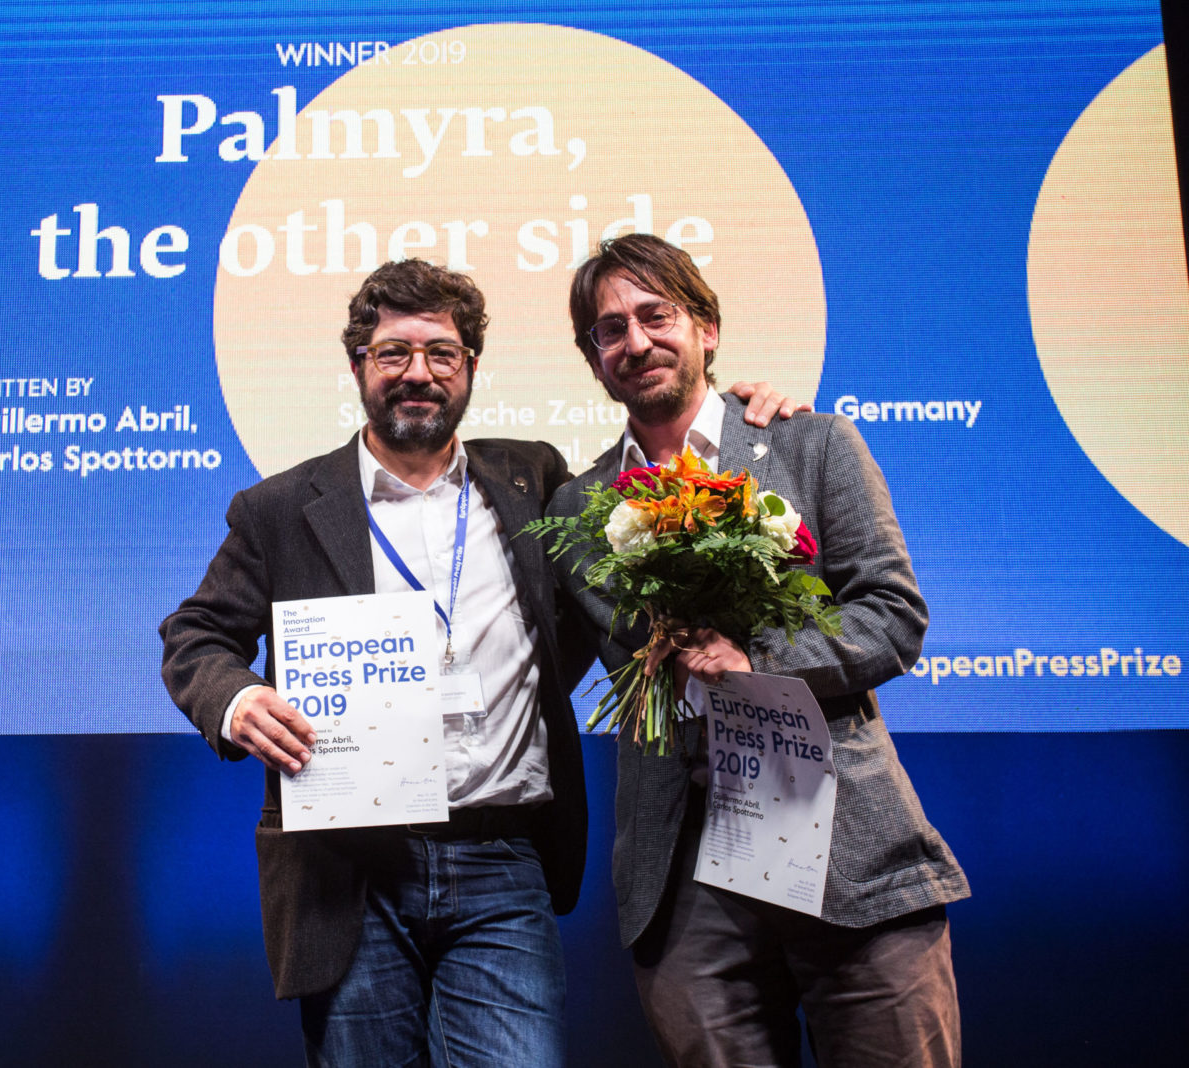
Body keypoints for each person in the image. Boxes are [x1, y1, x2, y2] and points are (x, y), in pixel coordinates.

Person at [160, 258, 798, 1067]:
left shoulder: (535, 480)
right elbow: (196, 635)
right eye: (394, 353)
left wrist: (745, 418)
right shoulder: (280, 509)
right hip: (352, 869)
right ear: (357, 366)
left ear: (469, 368)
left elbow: (658, 486)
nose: (418, 373)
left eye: (442, 353)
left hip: (504, 861)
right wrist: (237, 700)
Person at [548, 234, 970, 1068]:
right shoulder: (578, 507)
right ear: (593, 359)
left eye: (657, 315)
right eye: (610, 330)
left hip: (845, 844)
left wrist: (759, 663)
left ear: (706, 328)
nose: (636, 341)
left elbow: (893, 616)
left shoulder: (811, 445)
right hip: (684, 875)